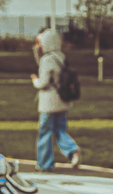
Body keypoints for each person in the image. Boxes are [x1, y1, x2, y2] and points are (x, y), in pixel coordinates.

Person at [30, 27, 80, 171]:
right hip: (62, 100)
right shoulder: (60, 56)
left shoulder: (46, 59)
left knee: (45, 132)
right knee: (60, 129)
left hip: (48, 102)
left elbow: (44, 82)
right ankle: (72, 150)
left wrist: (35, 81)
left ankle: (44, 164)